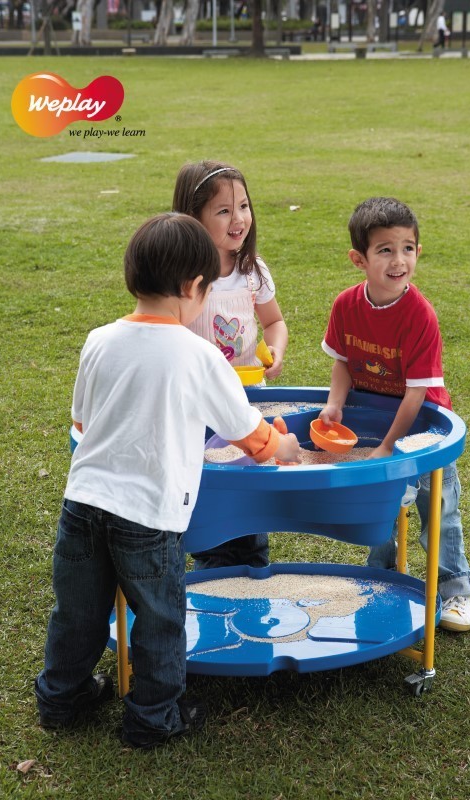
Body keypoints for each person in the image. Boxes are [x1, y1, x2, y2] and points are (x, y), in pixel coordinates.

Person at [35, 213, 300, 749]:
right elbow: (250, 435)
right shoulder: (199, 355)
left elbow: (83, 423)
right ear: (191, 288)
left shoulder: (98, 340)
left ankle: (62, 698)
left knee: (78, 611)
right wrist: (285, 446)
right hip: (149, 516)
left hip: (83, 504)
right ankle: (153, 717)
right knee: (159, 618)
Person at [320, 197, 470, 632]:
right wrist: (334, 403)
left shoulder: (420, 316)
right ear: (359, 259)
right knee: (380, 503)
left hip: (423, 421)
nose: (398, 260)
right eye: (385, 249)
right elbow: (343, 362)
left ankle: (455, 588)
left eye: (407, 248)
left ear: (418, 253)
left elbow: (415, 394)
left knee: (437, 506)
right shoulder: (346, 305)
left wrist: (389, 447)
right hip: (374, 415)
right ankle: (380, 578)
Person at [172, 159, 288, 571]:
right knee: (208, 482)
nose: (238, 219)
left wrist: (273, 350)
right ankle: (211, 555)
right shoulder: (185, 278)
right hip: (199, 404)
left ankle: (252, 558)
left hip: (246, 398)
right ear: (192, 219)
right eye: (223, 211)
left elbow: (274, 322)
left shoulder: (252, 272)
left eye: (243, 206)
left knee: (248, 478)